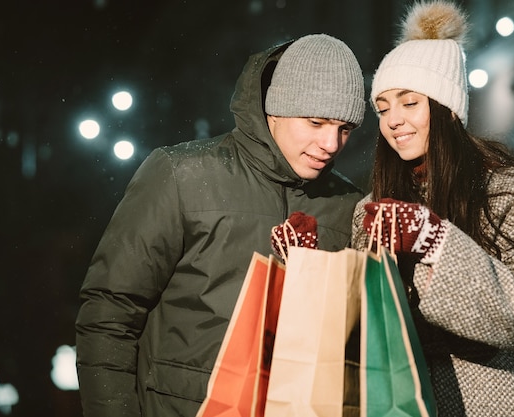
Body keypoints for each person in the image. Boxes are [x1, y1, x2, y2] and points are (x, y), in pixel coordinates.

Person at [75, 33, 366, 417]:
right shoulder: (182, 175)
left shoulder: (348, 207)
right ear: (273, 110)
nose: (331, 143)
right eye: (316, 122)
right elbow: (110, 314)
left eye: (345, 128)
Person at [351, 1, 514, 416]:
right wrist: (303, 264)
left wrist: (433, 238)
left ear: (447, 108)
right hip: (397, 400)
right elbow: (362, 326)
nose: (393, 119)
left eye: (409, 102)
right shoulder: (371, 209)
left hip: (492, 400)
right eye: (383, 107)